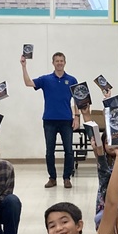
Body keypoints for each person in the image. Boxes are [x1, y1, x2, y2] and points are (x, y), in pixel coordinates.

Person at [22, 51, 79, 189]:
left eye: (61, 60)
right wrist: (24, 66)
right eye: (57, 61)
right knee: (49, 151)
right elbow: (28, 83)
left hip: (66, 120)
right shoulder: (46, 79)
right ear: (53, 63)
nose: (59, 63)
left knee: (69, 151)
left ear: (65, 62)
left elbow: (78, 99)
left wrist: (77, 117)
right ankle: (52, 178)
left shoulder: (72, 80)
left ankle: (66, 178)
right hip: (49, 120)